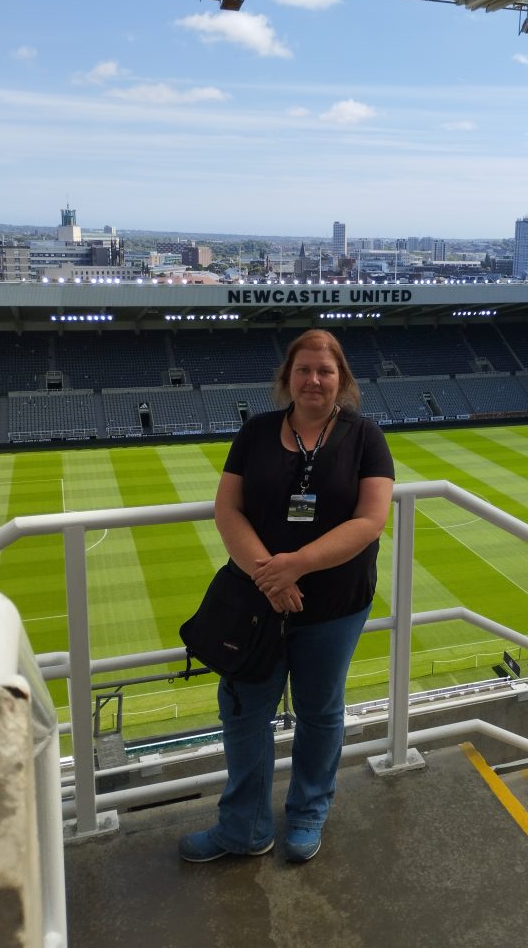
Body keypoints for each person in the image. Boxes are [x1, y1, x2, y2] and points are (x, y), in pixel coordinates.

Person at [179, 329, 395, 865]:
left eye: (325, 371)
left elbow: (370, 520)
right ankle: (243, 827)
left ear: (341, 379)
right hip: (255, 604)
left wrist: (294, 565)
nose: (314, 380)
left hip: (334, 607)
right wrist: (268, 576)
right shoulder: (255, 433)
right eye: (304, 370)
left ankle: (307, 812)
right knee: (245, 712)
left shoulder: (366, 437)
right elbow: (228, 509)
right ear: (287, 378)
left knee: (321, 712)